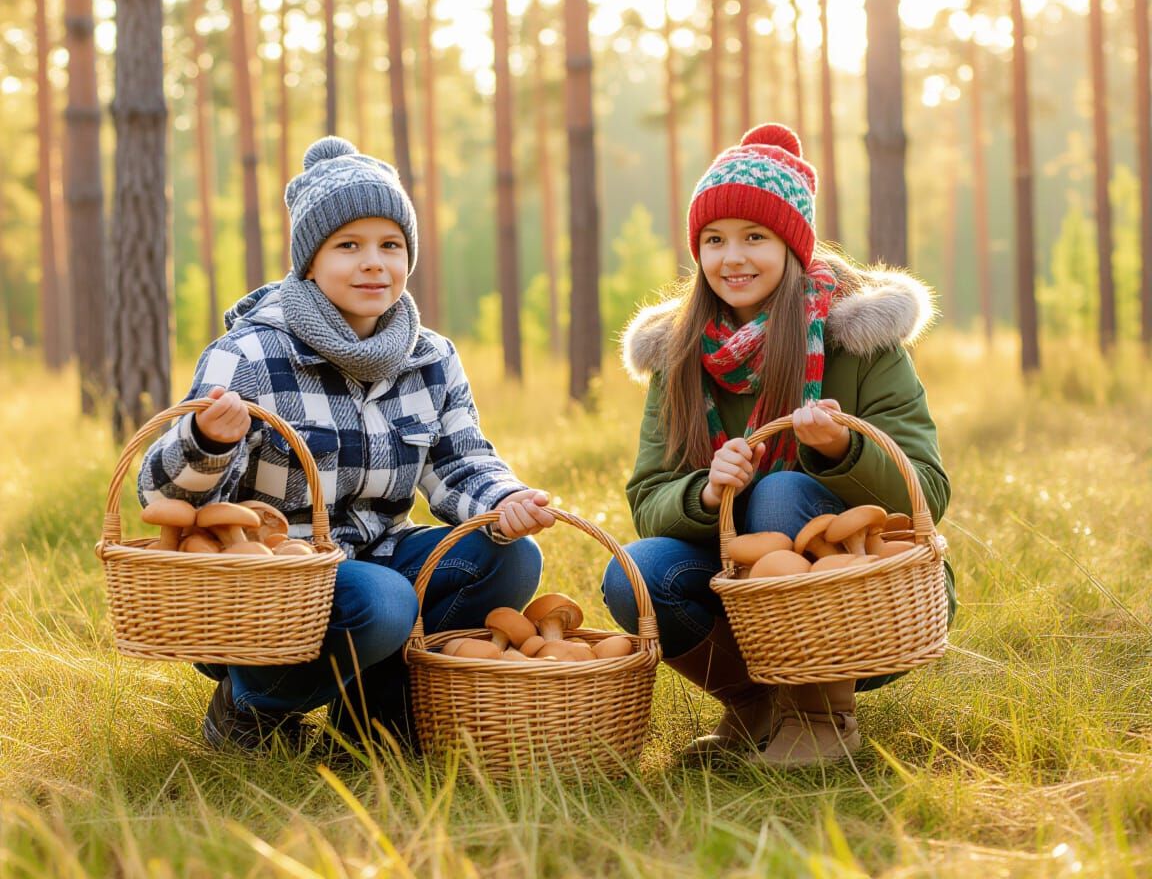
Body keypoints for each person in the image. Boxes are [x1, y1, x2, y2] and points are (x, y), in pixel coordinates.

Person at [139, 136, 554, 752]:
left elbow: (459, 460)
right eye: (348, 246)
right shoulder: (250, 355)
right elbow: (162, 495)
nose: (373, 264)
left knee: (510, 557)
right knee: (383, 601)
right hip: (276, 583)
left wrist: (507, 499)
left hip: (378, 554)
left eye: (391, 245)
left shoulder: (430, 357)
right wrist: (206, 441)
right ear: (309, 261)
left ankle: (371, 717)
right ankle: (251, 704)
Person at [601, 123, 953, 767]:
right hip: (741, 590)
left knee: (782, 489)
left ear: (791, 245)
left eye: (754, 237)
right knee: (638, 573)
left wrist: (840, 452)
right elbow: (648, 497)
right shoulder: (680, 354)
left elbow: (926, 492)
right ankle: (756, 705)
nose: (731, 258)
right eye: (714, 240)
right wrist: (705, 490)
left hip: (865, 595)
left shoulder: (858, 338)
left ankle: (821, 713)